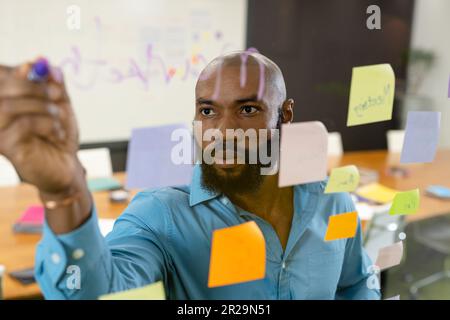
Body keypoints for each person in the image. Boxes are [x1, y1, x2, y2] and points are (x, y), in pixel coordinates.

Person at [0, 52, 380, 299]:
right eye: (208, 111)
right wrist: (66, 194)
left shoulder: (333, 201)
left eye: (247, 110)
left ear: (286, 116)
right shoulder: (161, 217)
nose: (222, 131)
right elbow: (98, 293)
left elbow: (356, 285)